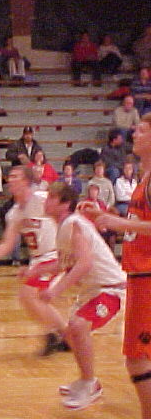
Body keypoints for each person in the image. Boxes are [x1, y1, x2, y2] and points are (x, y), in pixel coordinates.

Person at [26, 182, 127, 410]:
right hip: (93, 290)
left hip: (111, 287)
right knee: (72, 332)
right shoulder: (64, 226)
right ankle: (85, 380)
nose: (46, 201)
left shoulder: (73, 223)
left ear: (65, 204)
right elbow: (64, 263)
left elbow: (85, 263)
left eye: (51, 198)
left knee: (79, 326)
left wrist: (56, 290)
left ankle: (90, 384)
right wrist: (35, 271)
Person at [85, 112, 151, 419]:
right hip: (139, 273)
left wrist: (118, 222)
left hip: (147, 274)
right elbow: (137, 223)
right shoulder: (143, 178)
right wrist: (105, 216)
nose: (134, 134)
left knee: (137, 358)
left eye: (141, 131)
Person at [0, 166, 69, 356]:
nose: (10, 179)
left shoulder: (42, 199)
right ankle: (64, 335)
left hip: (54, 254)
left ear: (26, 181)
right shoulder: (14, 213)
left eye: (16, 176)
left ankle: (56, 334)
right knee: (32, 299)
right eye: (10, 176)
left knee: (28, 294)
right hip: (37, 259)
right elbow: (7, 244)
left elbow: (66, 211)